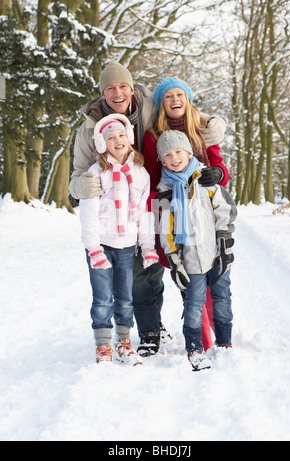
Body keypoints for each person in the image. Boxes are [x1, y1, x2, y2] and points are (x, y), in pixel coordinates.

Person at [69, 61, 226, 356]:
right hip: (121, 213)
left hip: (158, 199)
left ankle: (209, 329)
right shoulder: (89, 129)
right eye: (110, 88)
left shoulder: (150, 106)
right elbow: (77, 176)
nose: (118, 93)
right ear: (102, 93)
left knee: (172, 267)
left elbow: (180, 108)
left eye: (123, 86)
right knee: (141, 276)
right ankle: (150, 330)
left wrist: (213, 125)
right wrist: (82, 188)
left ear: (131, 87)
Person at [143, 76, 231, 351]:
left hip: (204, 211)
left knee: (215, 282)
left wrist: (219, 173)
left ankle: (223, 337)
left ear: (188, 99)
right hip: (175, 216)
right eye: (168, 96)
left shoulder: (202, 129)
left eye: (179, 94)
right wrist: (160, 199)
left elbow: (219, 169)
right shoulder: (153, 136)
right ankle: (201, 341)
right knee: (190, 285)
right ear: (161, 104)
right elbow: (151, 179)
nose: (175, 100)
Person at [79, 113, 159, 365]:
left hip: (126, 245)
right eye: (110, 137)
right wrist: (93, 248)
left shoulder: (140, 173)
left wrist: (147, 247)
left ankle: (124, 341)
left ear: (129, 138)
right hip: (101, 245)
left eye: (121, 135)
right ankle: (103, 345)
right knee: (103, 297)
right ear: (103, 144)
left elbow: (145, 214)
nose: (117, 140)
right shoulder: (96, 172)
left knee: (125, 297)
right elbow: (88, 215)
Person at [156, 130, 236, 371]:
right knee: (193, 303)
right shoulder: (164, 193)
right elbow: (165, 231)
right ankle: (194, 347)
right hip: (190, 260)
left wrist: (224, 245)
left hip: (215, 253)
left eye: (178, 151)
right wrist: (174, 260)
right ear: (162, 161)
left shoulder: (206, 181)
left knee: (222, 297)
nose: (174, 158)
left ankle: (224, 342)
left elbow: (225, 212)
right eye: (167, 155)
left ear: (189, 153)